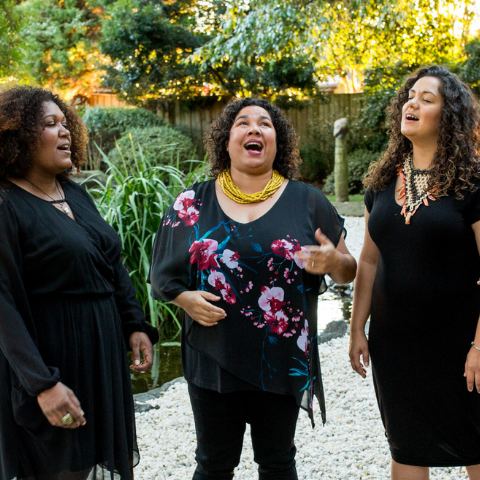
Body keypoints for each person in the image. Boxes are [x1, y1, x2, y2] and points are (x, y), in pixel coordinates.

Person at [149, 98, 356, 480]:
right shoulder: (192, 201)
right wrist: (184, 299)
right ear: (226, 142)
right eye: (242, 123)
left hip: (281, 357)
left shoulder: (308, 201)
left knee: (277, 463)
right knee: (213, 464)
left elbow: (348, 270)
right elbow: (161, 274)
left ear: (278, 142)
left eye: (265, 124)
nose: (254, 129)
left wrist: (334, 262)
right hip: (213, 354)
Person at [0, 86, 159, 480]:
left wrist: (135, 323)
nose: (66, 131)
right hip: (52, 360)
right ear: (18, 137)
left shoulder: (73, 192)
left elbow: (109, 263)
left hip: (99, 358)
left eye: (65, 122)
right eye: (50, 124)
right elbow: (1, 303)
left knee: (89, 463)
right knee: (57, 468)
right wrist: (42, 383)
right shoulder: (5, 203)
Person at [349, 65, 480, 480]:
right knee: (406, 448)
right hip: (395, 347)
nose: (413, 102)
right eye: (411, 95)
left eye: (427, 98)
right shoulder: (382, 182)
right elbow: (369, 260)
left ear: (450, 116)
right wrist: (356, 328)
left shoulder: (473, 183)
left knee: (476, 445)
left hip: (462, 347)